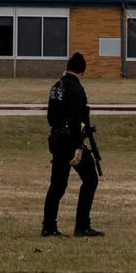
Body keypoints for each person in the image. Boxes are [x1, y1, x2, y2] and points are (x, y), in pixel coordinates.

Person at [41, 52, 104, 237]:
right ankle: (82, 225)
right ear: (82, 71)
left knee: (57, 185)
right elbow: (76, 120)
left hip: (56, 140)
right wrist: (78, 147)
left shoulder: (56, 87)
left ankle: (49, 227)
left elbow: (51, 116)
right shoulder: (76, 89)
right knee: (90, 179)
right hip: (70, 143)